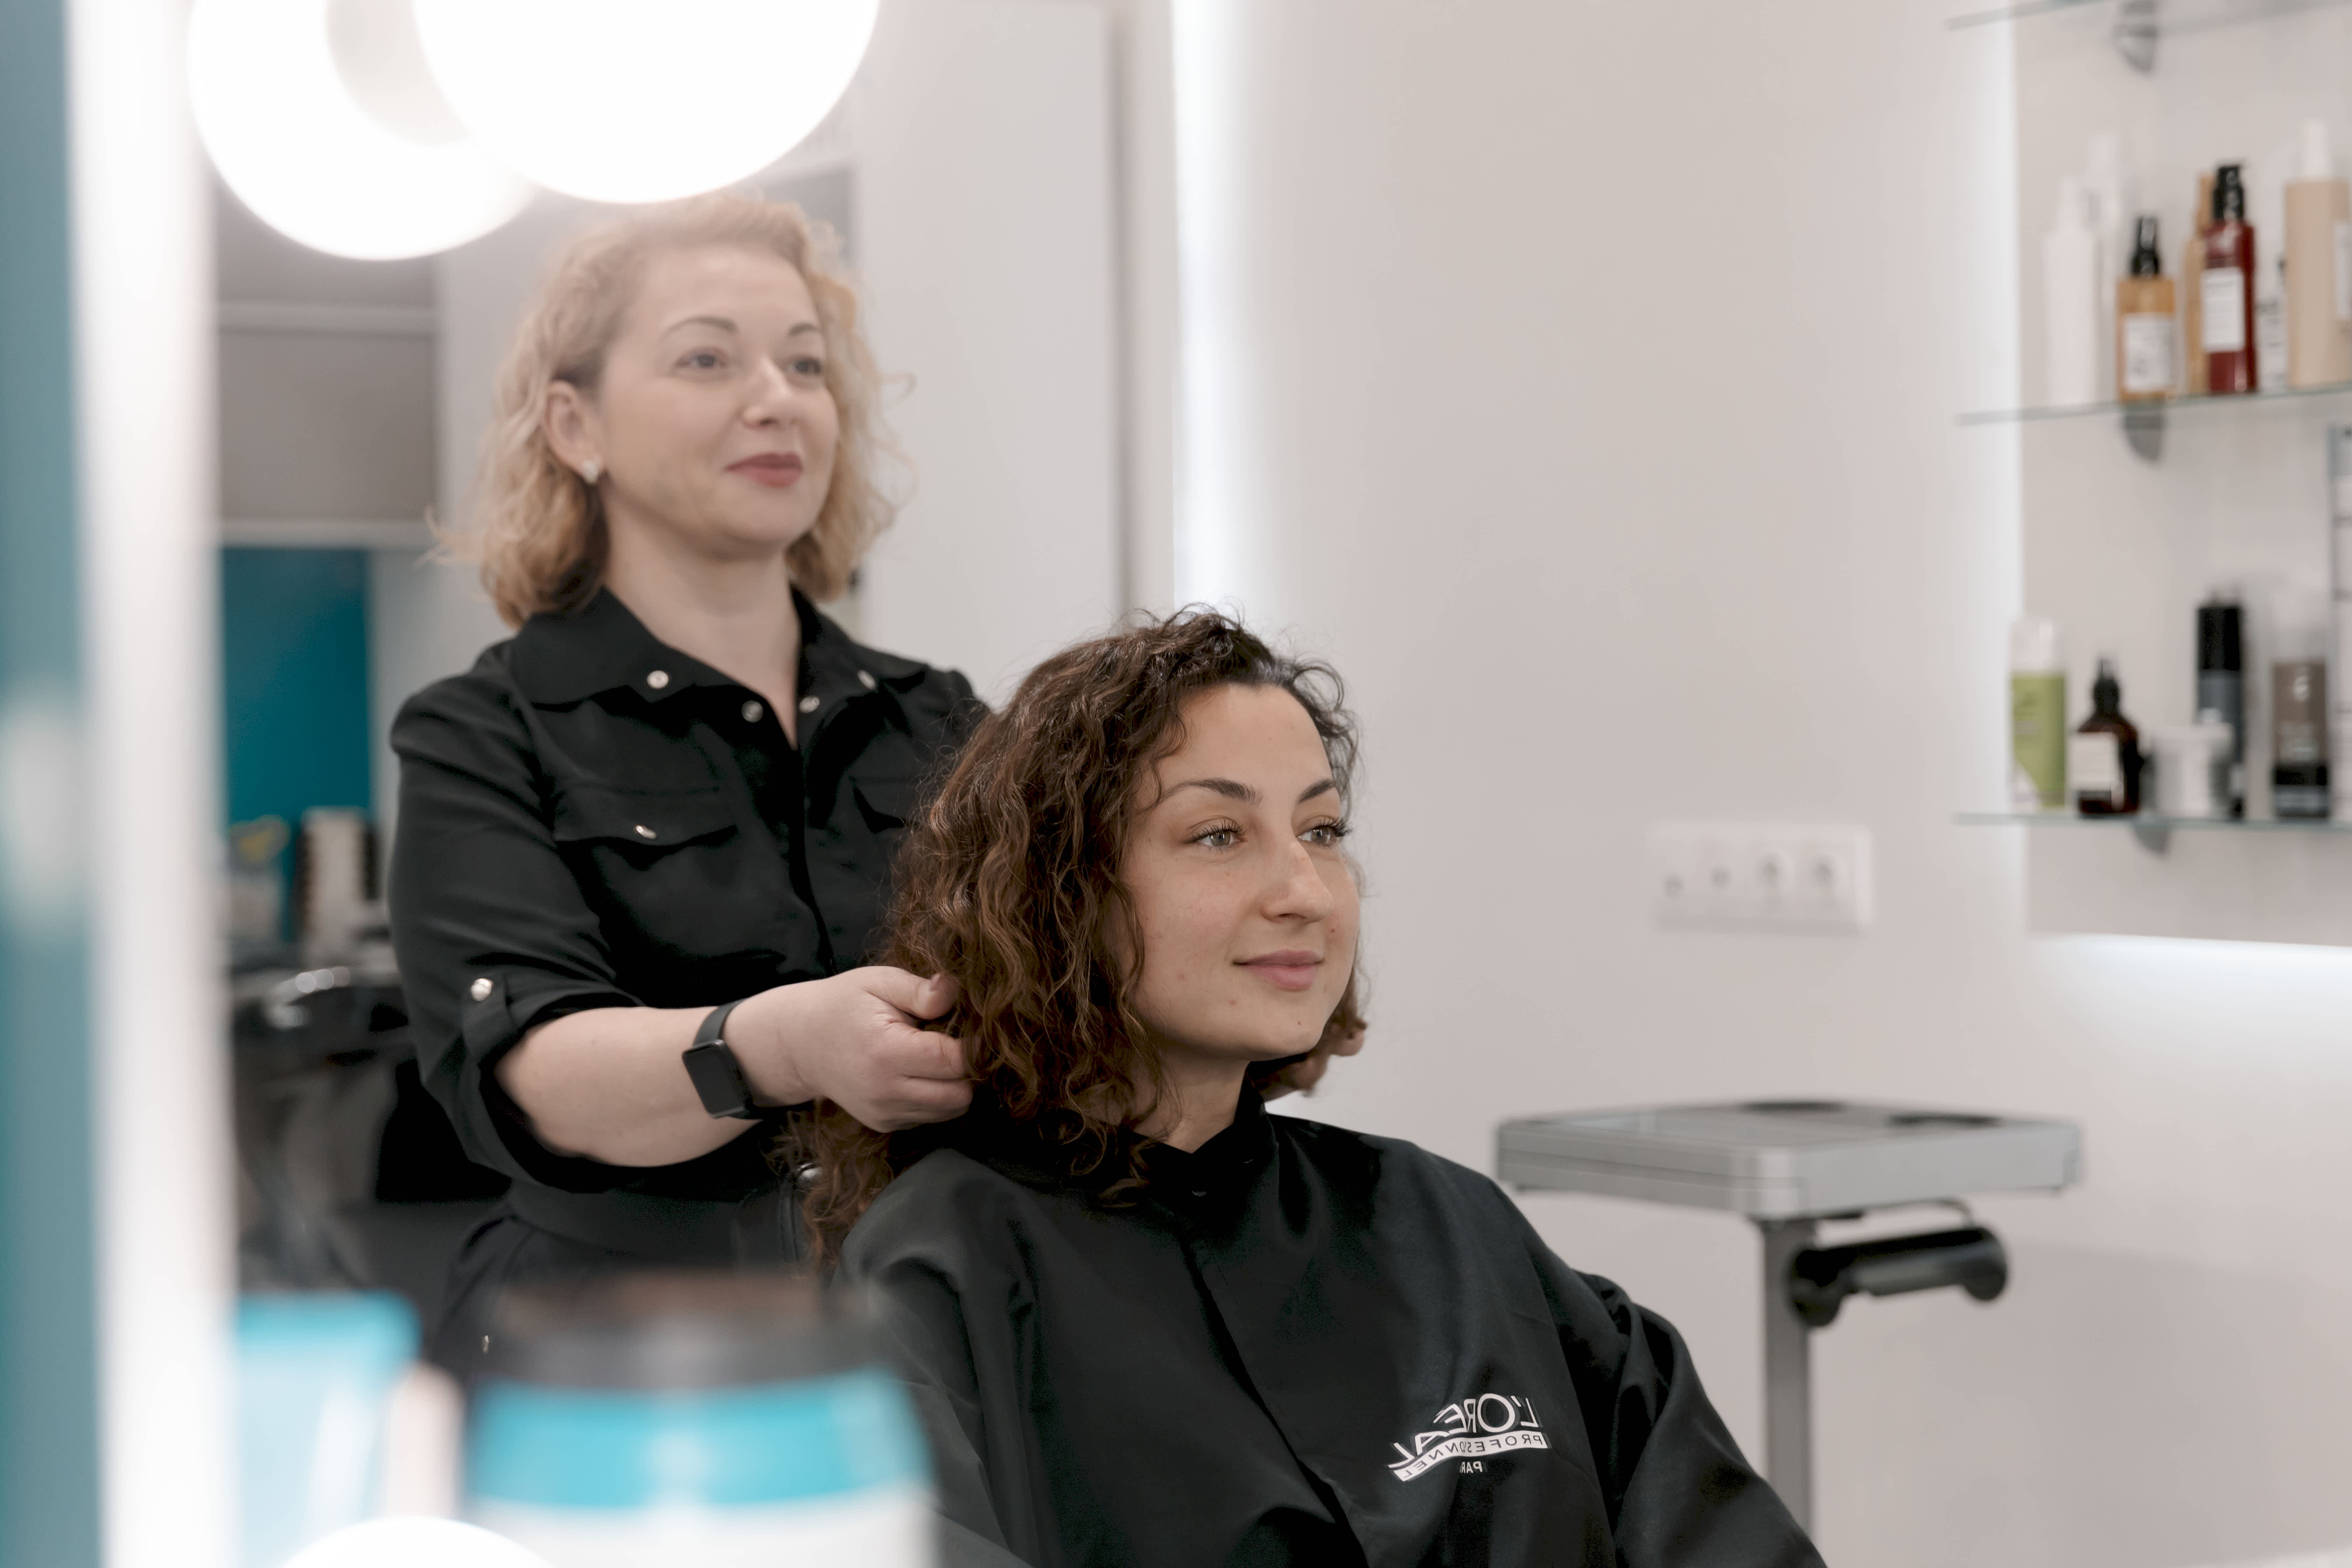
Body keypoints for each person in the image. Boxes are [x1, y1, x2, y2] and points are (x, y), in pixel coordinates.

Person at [817, 612, 1822, 1568]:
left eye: (1323, 830)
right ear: (1060, 894)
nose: (1303, 891)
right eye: (1219, 835)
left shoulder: (1450, 1227)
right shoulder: (941, 1272)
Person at [387, 193, 988, 1373]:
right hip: (609, 1357)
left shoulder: (942, 720)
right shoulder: (483, 731)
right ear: (576, 425)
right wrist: (785, 1044)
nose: (776, 399)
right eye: (707, 359)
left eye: (804, 364)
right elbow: (538, 1074)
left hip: (933, 1338)